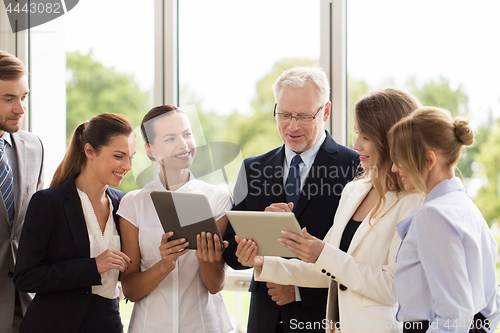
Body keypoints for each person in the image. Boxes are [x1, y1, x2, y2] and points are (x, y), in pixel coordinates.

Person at [235, 88, 424, 333]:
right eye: (357, 134)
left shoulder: (415, 202)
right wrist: (262, 262)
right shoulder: (355, 190)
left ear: (393, 139)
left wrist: (323, 254)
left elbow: (394, 288)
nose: (356, 145)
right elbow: (325, 270)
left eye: (365, 137)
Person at [223, 67, 360, 333]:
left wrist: (299, 290)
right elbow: (231, 251)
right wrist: (250, 240)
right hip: (264, 318)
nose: (292, 126)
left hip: (321, 319)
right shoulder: (253, 169)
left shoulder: (354, 167)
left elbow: (357, 260)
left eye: (304, 116)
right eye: (284, 115)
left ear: (326, 112)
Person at [13, 113, 135, 333]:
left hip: (107, 323)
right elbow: (26, 277)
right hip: (54, 325)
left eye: (131, 157)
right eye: (119, 156)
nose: (127, 165)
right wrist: (93, 266)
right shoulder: (49, 203)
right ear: (89, 151)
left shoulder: (122, 203)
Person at [118, 105, 232, 333]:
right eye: (170, 138)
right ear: (150, 149)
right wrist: (164, 265)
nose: (183, 144)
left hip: (202, 325)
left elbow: (215, 285)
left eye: (187, 134)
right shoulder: (134, 204)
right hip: (148, 326)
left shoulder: (218, 199)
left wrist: (207, 258)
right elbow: (129, 288)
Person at [388, 106, 500, 333]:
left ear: (429, 160)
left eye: (400, 160)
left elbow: (454, 315)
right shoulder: (467, 208)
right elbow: (493, 305)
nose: (394, 168)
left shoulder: (433, 216)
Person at [0, 50, 44, 333]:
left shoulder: (34, 147)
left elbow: (36, 227)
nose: (20, 109)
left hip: (26, 307)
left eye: (24, 97)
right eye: (8, 99)